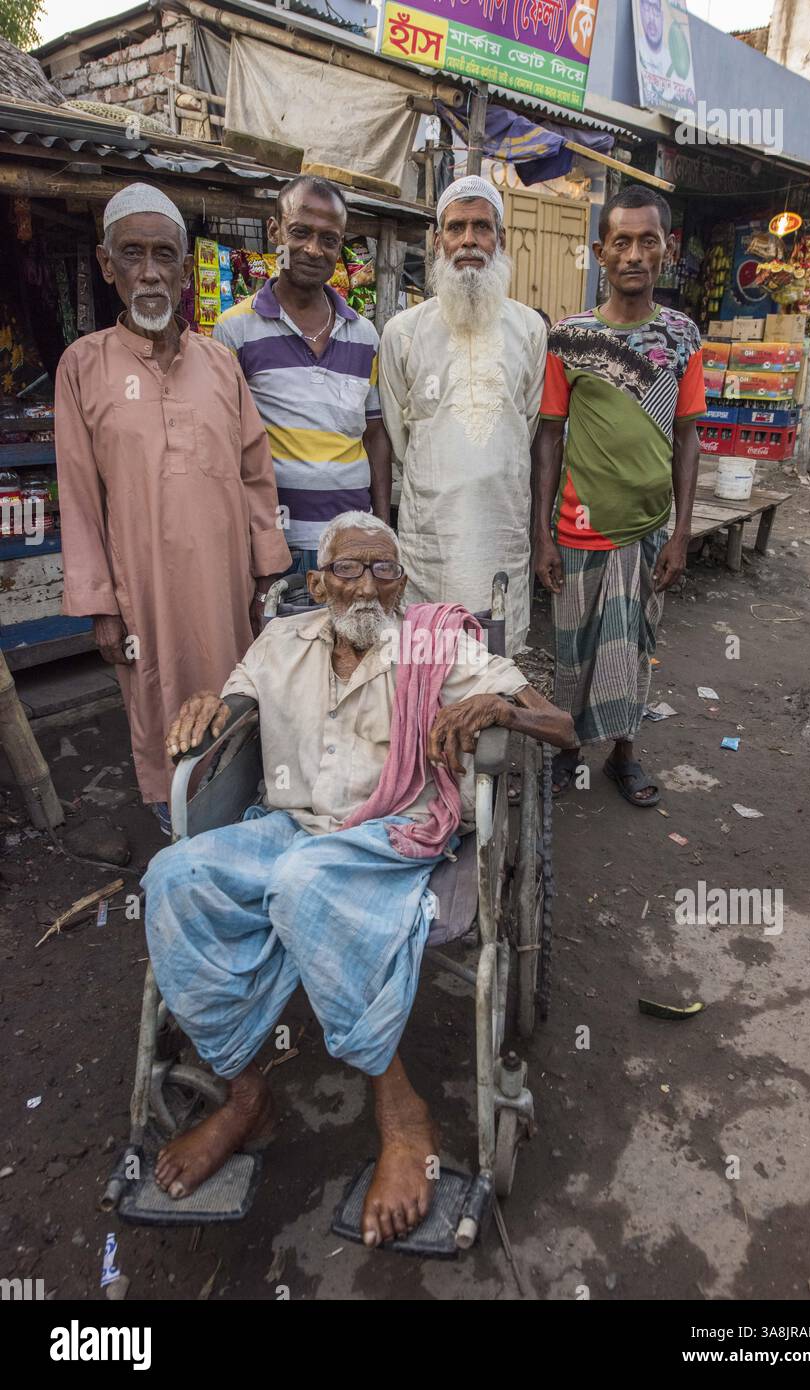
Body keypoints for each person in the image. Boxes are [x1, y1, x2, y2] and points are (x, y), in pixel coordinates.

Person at [142, 513, 576, 1246]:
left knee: (306, 883)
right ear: (316, 582)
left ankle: (402, 1113)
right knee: (174, 875)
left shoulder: (437, 645)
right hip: (293, 828)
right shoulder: (280, 641)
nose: (366, 585)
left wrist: (501, 707)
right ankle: (247, 1097)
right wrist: (207, 707)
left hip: (393, 837)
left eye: (383, 570)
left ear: (402, 582)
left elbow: (561, 726)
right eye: (348, 569)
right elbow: (235, 711)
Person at [55, 183, 290, 834]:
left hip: (227, 587)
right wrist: (101, 604)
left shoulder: (219, 364)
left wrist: (267, 568)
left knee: (237, 699)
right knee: (159, 707)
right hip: (145, 595)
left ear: (186, 270)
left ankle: (238, 819)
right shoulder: (83, 367)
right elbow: (76, 494)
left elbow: (253, 471)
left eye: (165, 255)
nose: (150, 272)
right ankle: (177, 826)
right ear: (107, 266)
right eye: (132, 254)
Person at [533, 186, 704, 802]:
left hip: (649, 527)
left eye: (647, 241)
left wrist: (681, 533)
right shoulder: (570, 336)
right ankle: (567, 750)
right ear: (600, 253)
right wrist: (541, 535)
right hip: (580, 527)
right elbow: (548, 438)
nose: (634, 254)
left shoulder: (683, 336)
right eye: (621, 242)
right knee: (572, 647)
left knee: (637, 643)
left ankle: (624, 755)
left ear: (666, 249)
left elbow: (688, 438)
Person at [378, 175, 548, 654]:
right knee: (426, 663)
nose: (469, 240)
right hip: (430, 535)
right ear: (438, 242)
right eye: (456, 228)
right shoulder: (403, 332)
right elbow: (398, 434)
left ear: (501, 239)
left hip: (503, 530)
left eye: (482, 227)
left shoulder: (530, 329)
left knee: (494, 664)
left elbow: (527, 426)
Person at [213, 176, 391, 577]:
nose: (313, 249)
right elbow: (227, 449)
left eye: (329, 239)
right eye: (300, 232)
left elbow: (375, 434)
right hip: (276, 548)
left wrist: (380, 529)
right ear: (274, 230)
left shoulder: (364, 336)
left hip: (353, 543)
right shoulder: (234, 331)